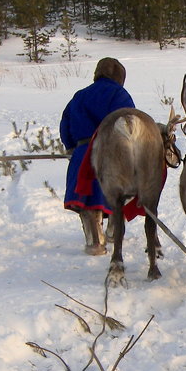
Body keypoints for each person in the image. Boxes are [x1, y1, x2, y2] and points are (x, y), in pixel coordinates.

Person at [60, 57, 135, 254]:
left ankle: (94, 241)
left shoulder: (80, 96)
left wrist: (71, 147)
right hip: (111, 151)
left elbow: (65, 123)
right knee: (122, 191)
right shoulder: (120, 94)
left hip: (82, 152)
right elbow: (129, 123)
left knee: (86, 196)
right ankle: (113, 229)